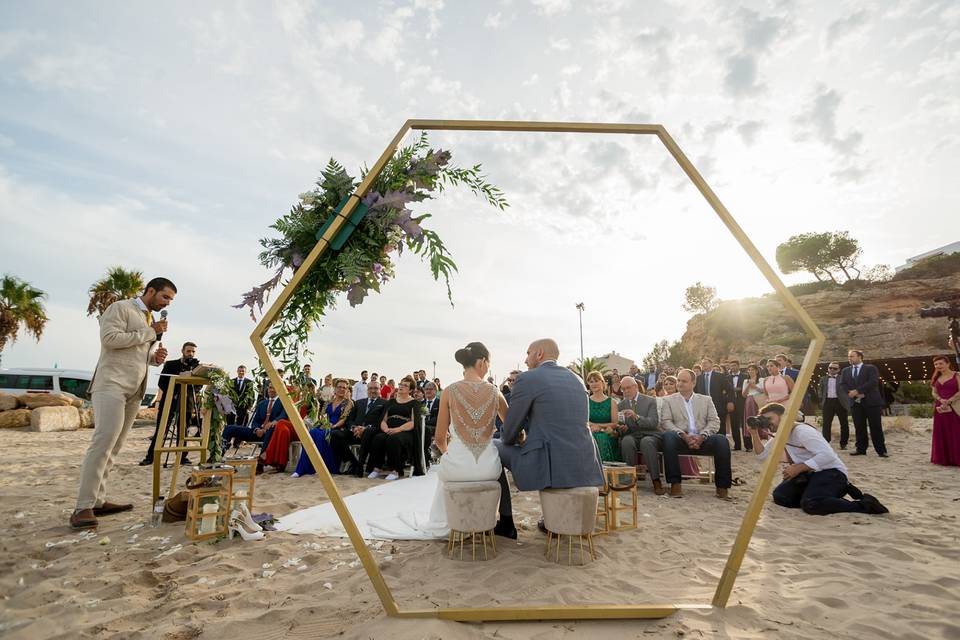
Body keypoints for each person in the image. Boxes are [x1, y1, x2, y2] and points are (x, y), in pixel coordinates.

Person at [71, 277, 175, 530]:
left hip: (134, 389)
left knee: (115, 446)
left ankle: (98, 500)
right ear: (150, 291)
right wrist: (152, 333)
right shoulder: (121, 308)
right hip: (111, 384)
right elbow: (110, 339)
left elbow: (136, 352)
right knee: (103, 441)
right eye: (165, 297)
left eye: (170, 300)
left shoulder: (149, 320)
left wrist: (154, 358)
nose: (167, 303)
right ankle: (82, 507)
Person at [494, 338, 604, 539]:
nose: (525, 360)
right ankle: (552, 517)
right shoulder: (577, 379)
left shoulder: (528, 379)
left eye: (528, 353)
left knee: (493, 447)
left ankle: (506, 521)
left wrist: (515, 438)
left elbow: (509, 431)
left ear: (539, 354)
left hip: (549, 462)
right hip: (584, 461)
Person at [748, 402, 888, 515]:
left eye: (769, 419)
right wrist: (754, 434)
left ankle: (865, 504)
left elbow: (827, 456)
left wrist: (799, 467)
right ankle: (825, 497)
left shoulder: (802, 431)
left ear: (784, 417)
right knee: (781, 496)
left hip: (831, 472)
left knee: (811, 504)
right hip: (809, 475)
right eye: (764, 420)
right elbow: (762, 456)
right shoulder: (780, 434)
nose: (767, 423)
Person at [659, 368, 732, 499]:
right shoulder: (668, 400)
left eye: (684, 381)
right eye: (679, 380)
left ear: (693, 383)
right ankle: (675, 485)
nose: (680, 384)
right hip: (680, 438)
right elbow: (666, 422)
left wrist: (702, 436)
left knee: (721, 440)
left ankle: (722, 488)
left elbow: (714, 422)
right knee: (668, 437)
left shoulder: (706, 400)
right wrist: (683, 435)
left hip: (702, 438)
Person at [139, 340, 200, 466]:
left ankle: (182, 457)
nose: (190, 353)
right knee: (162, 429)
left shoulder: (197, 367)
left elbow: (199, 387)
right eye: (188, 351)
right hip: (170, 401)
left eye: (193, 351)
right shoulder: (171, 364)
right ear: (182, 351)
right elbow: (161, 383)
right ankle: (151, 457)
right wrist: (176, 387)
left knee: (184, 431)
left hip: (187, 403)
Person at [292, 378, 352, 477]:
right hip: (324, 424)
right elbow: (321, 416)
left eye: (344, 388)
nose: (342, 389)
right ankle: (302, 469)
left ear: (347, 390)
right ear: (335, 388)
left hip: (336, 427)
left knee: (321, 434)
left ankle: (321, 467)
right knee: (312, 432)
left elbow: (344, 419)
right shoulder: (328, 402)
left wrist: (334, 425)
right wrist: (322, 423)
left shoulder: (348, 403)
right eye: (339, 387)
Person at [366, 377, 421, 480]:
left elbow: (413, 423)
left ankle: (395, 471)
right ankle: (377, 468)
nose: (401, 386)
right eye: (401, 384)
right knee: (378, 438)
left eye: (405, 385)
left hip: (405, 432)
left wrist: (398, 429)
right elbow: (383, 420)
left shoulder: (415, 403)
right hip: (389, 429)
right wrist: (386, 429)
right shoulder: (391, 402)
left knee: (394, 439)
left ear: (410, 390)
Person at [618, 376, 662, 494]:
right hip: (632, 435)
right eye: (623, 389)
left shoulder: (650, 401)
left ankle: (656, 480)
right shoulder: (621, 405)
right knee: (626, 441)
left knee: (646, 442)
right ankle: (627, 481)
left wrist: (636, 416)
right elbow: (623, 427)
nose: (626, 391)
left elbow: (653, 422)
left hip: (650, 434)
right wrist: (622, 428)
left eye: (628, 388)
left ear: (636, 387)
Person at [838, 350, 887, 457]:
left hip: (871, 402)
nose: (849, 358)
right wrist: (851, 393)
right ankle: (861, 449)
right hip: (855, 403)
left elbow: (873, 382)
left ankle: (881, 450)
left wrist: (858, 391)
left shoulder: (871, 368)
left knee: (876, 427)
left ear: (860, 357)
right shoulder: (846, 371)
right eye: (849, 356)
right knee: (859, 427)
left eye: (852, 356)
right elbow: (843, 384)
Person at [332, 379, 385, 476]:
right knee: (335, 434)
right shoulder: (359, 402)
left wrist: (365, 428)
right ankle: (354, 463)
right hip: (354, 433)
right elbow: (349, 420)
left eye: (376, 388)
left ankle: (360, 467)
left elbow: (382, 421)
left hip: (371, 434)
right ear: (367, 390)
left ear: (380, 389)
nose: (373, 391)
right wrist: (354, 428)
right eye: (370, 388)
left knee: (367, 432)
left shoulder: (385, 403)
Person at [221, 382, 287, 451]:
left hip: (271, 433)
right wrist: (256, 429)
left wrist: (273, 423)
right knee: (229, 428)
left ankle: (263, 456)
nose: (271, 390)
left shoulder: (284, 402)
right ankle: (222, 451)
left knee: (270, 430)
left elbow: (283, 415)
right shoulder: (262, 404)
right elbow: (255, 421)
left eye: (274, 388)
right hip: (258, 432)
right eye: (270, 388)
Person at [695, 357, 734, 442]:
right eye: (702, 363)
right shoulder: (698, 378)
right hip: (703, 407)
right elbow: (695, 393)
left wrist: (730, 401)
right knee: (705, 426)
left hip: (718, 405)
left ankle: (721, 444)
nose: (704, 364)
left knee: (720, 427)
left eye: (706, 362)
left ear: (711, 365)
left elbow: (730, 389)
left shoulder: (719, 376)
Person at [931, 355, 960, 466]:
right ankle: (945, 458)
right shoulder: (936, 378)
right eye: (936, 364)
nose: (938, 366)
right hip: (941, 408)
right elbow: (934, 392)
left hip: (955, 407)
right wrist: (941, 400)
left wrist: (950, 400)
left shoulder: (956, 375)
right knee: (942, 432)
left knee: (956, 432)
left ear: (948, 364)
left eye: (940, 363)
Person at [586, 371, 620, 462]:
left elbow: (615, 423)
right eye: (591, 381)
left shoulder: (612, 402)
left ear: (602, 382)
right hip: (590, 433)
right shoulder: (586, 401)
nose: (594, 384)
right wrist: (593, 426)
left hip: (607, 433)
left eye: (596, 381)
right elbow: (584, 421)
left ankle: (604, 469)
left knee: (602, 438)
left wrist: (599, 427)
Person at [819, 361, 850, 449]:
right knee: (826, 423)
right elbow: (820, 389)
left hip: (840, 402)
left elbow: (847, 390)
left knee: (844, 423)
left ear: (839, 370)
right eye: (830, 368)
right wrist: (821, 398)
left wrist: (847, 400)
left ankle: (843, 443)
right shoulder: (823, 379)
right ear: (828, 368)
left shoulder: (843, 378)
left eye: (835, 368)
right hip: (828, 402)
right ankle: (826, 442)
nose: (832, 370)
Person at [726, 360, 747, 451]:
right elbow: (725, 390)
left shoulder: (745, 376)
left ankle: (748, 445)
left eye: (734, 365)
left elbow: (747, 388)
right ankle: (737, 446)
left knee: (744, 424)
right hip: (732, 403)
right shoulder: (727, 377)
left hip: (743, 402)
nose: (733, 367)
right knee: (734, 425)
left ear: (738, 366)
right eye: (731, 366)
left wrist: (739, 389)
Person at [422, 381, 440, 460]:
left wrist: (423, 423)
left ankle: (427, 453)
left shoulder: (440, 402)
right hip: (422, 426)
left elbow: (438, 418)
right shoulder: (421, 403)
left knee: (425, 429)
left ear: (435, 391)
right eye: (426, 389)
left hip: (435, 427)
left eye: (430, 389)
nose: (428, 391)